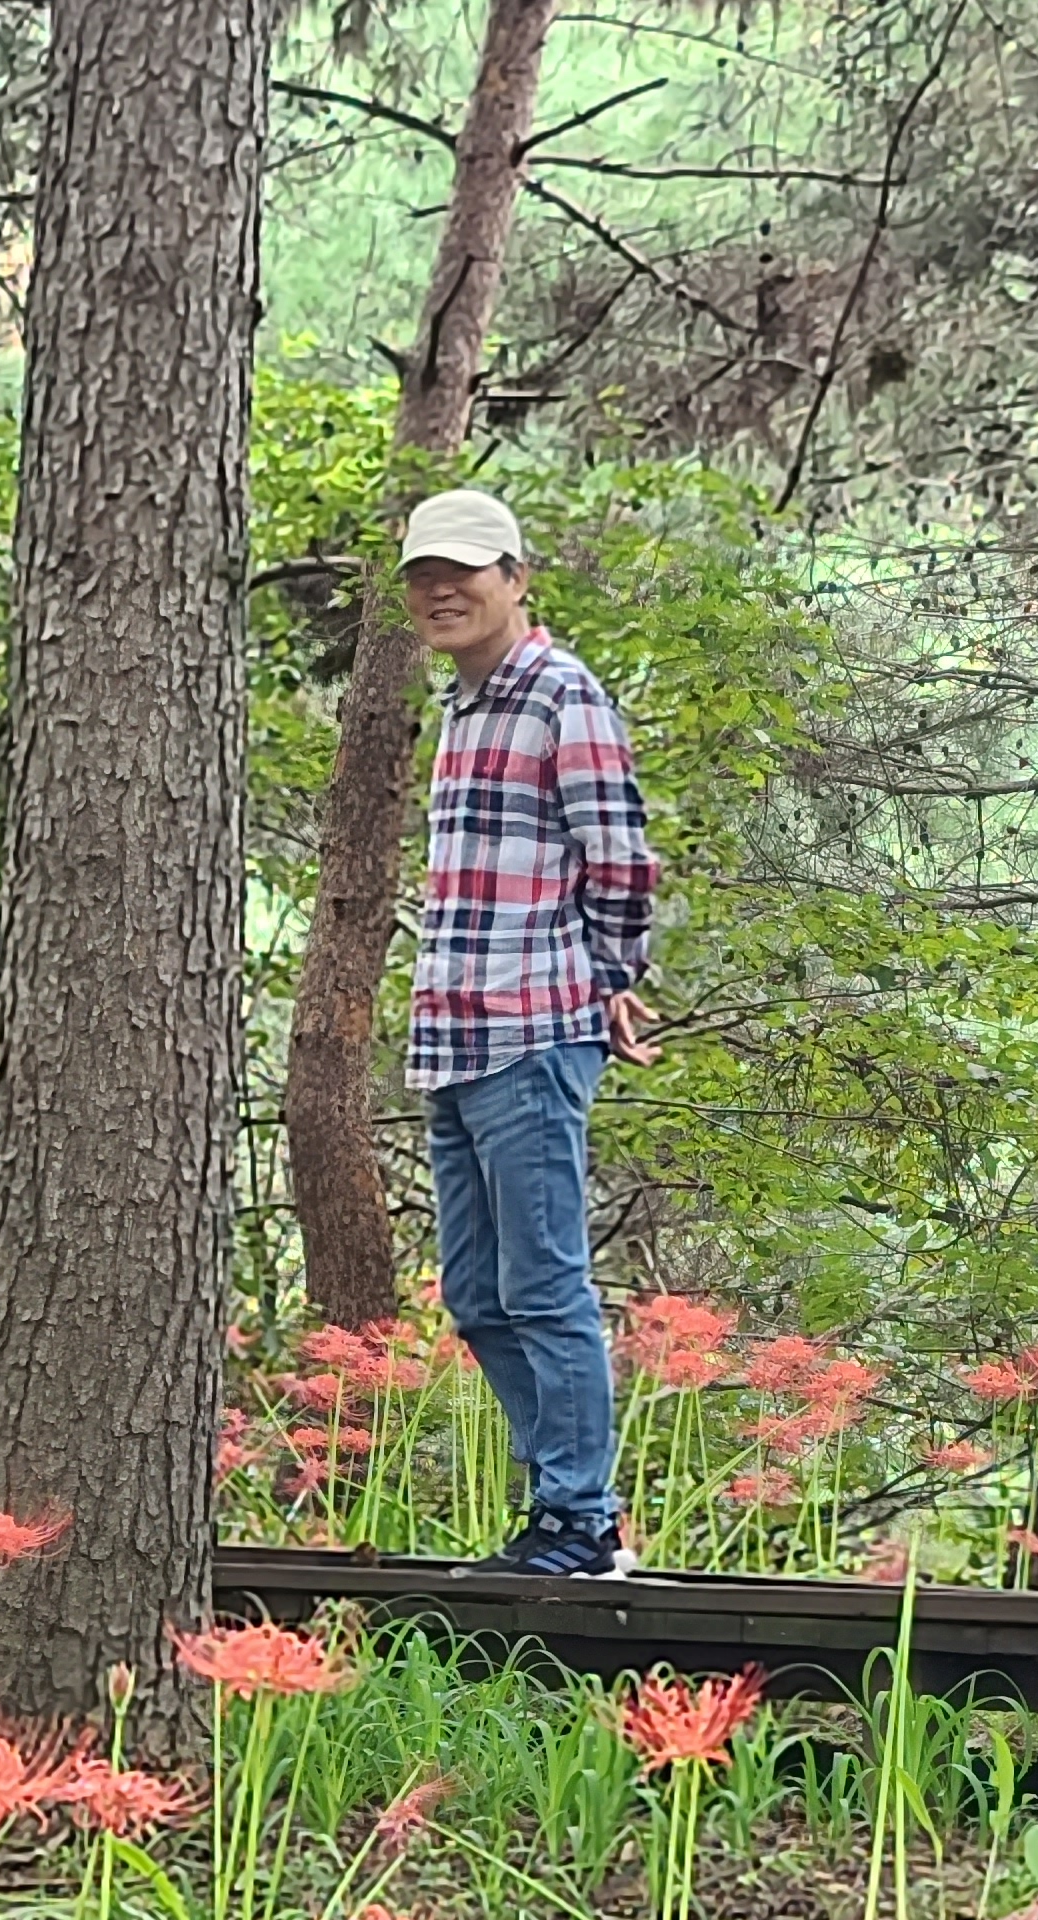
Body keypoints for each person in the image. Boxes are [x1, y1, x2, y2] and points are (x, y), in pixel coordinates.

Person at [395, 489, 662, 1578]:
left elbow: (621, 857)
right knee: (475, 1297)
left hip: (533, 1032)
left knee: (545, 1286)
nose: (440, 591)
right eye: (423, 575)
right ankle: (563, 1502)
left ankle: (579, 1521)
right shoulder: (463, 706)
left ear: (515, 577)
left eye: (462, 571)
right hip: (453, 1039)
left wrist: (612, 979)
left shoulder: (561, 693)